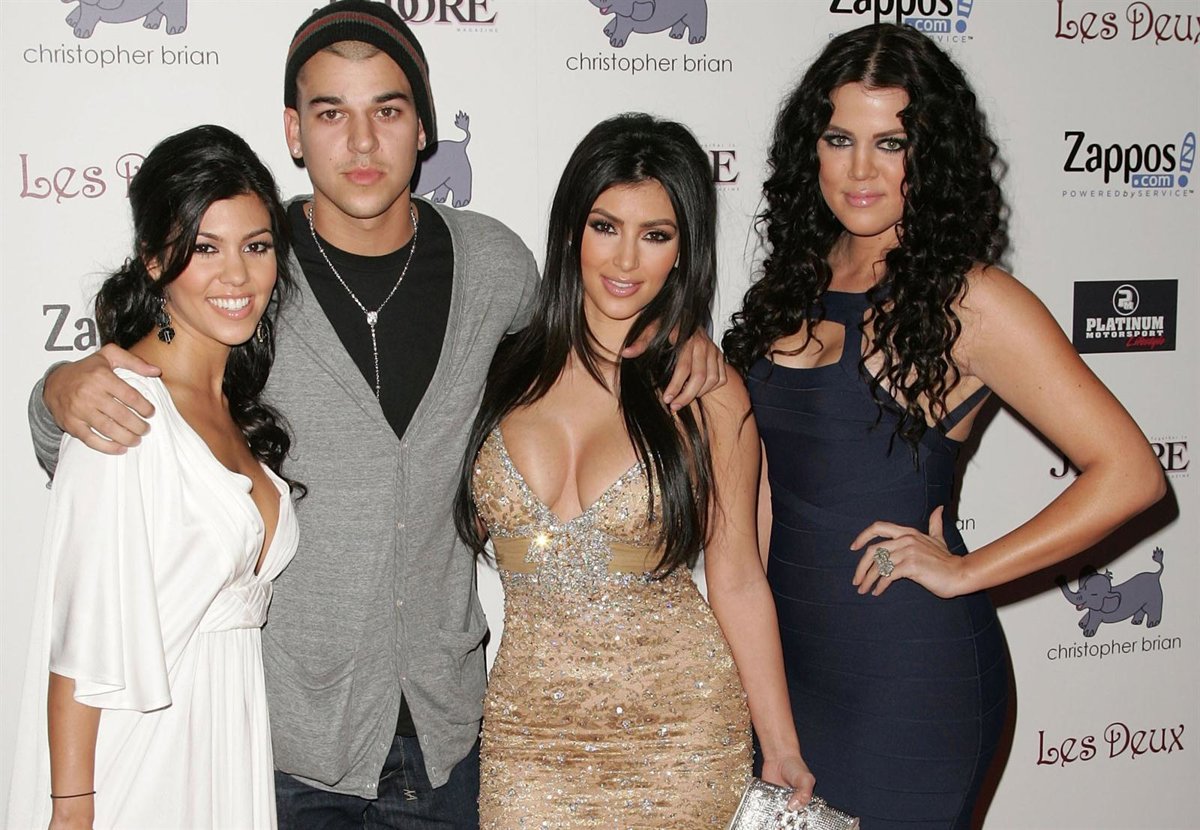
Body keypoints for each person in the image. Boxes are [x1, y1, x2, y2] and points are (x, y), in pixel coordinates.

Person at [24, 3, 722, 826]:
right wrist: (57, 390)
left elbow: (585, 346)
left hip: (450, 736)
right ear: (294, 130)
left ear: (423, 127)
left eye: (387, 111)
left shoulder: (494, 265)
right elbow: (127, 423)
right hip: (285, 746)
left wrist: (678, 335)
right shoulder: (248, 269)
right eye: (331, 114)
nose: (361, 143)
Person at [722, 23, 1165, 830]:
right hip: (787, 670)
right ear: (809, 149)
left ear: (931, 156)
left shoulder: (972, 299)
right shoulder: (791, 284)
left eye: (891, 143)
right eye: (839, 139)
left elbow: (1131, 474)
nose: (861, 170)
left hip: (908, 679)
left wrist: (968, 570)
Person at [455, 113, 814, 828]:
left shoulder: (708, 391)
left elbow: (739, 580)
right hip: (528, 747)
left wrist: (780, 746)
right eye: (605, 227)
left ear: (683, 251)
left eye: (655, 235)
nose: (625, 260)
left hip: (682, 738)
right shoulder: (496, 368)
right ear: (571, 232)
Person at [6, 124, 300, 830]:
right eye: (205, 247)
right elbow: (78, 641)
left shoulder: (231, 409)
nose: (237, 276)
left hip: (222, 743)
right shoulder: (121, 407)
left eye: (256, 246)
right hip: (139, 764)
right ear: (154, 258)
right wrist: (71, 810)